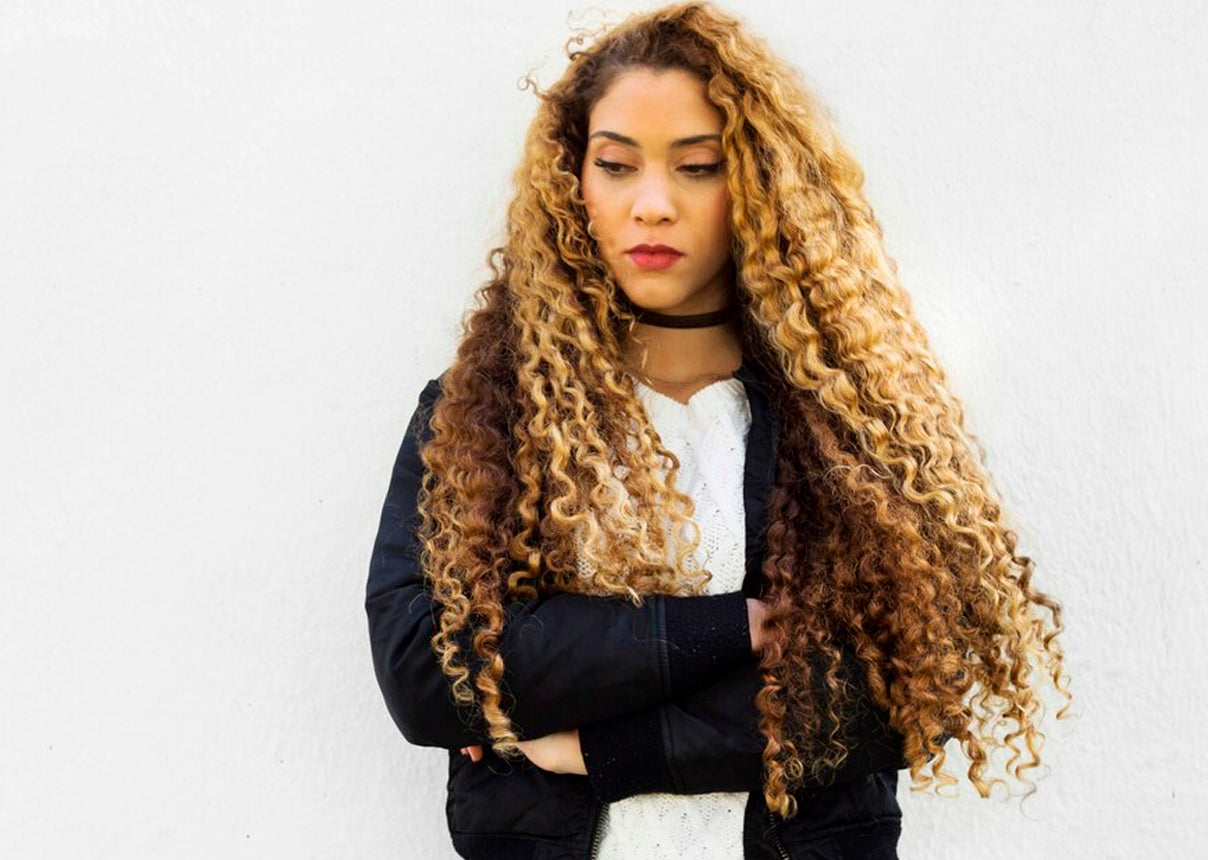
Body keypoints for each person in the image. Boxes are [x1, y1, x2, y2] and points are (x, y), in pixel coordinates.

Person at [362, 3, 1072, 858]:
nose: (653, 205)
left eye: (698, 167)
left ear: (757, 184)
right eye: (617, 165)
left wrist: (594, 743)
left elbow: (905, 689)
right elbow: (422, 672)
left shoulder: (848, 415)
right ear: (571, 180)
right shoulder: (480, 414)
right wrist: (740, 632)